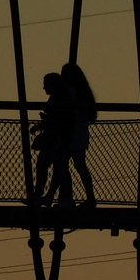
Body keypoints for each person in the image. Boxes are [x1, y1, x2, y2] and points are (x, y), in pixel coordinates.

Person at [60, 61, 96, 208]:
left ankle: (64, 198)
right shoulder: (83, 92)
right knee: (78, 165)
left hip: (71, 133)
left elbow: (68, 112)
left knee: (62, 164)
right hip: (80, 133)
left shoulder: (71, 92)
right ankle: (90, 198)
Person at [32, 71, 73, 204]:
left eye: (45, 84)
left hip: (55, 140)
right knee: (58, 169)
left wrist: (42, 124)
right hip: (59, 139)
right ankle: (47, 196)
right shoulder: (61, 98)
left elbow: (56, 120)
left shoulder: (57, 99)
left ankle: (39, 195)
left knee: (44, 165)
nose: (44, 87)